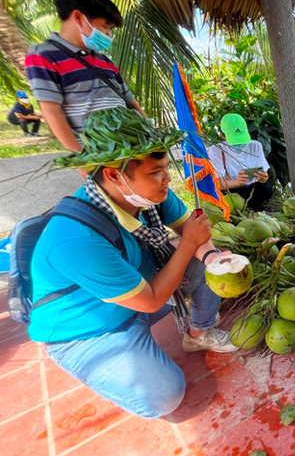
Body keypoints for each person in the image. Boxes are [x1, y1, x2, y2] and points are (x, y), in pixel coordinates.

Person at [28, 107, 237, 419]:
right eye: (156, 172)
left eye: (166, 168)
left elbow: (186, 229)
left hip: (136, 292)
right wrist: (191, 244)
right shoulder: (76, 239)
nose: (167, 178)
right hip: (89, 329)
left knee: (208, 266)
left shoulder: (149, 194)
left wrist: (212, 257)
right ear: (114, 174)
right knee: (164, 397)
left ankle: (198, 334)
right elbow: (152, 300)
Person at [25, 0, 144, 152]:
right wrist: (82, 157)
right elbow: (52, 111)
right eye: (106, 27)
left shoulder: (105, 62)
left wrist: (151, 135)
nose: (109, 35)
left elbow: (130, 102)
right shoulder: (43, 56)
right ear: (79, 18)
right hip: (98, 154)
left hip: (133, 148)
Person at [208, 113, 274, 212]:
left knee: (266, 187)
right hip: (233, 190)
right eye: (235, 140)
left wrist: (263, 178)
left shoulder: (256, 146)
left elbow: (264, 176)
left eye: (241, 139)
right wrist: (237, 182)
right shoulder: (216, 150)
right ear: (223, 135)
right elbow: (220, 185)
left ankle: (259, 211)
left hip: (253, 189)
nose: (239, 143)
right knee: (231, 197)